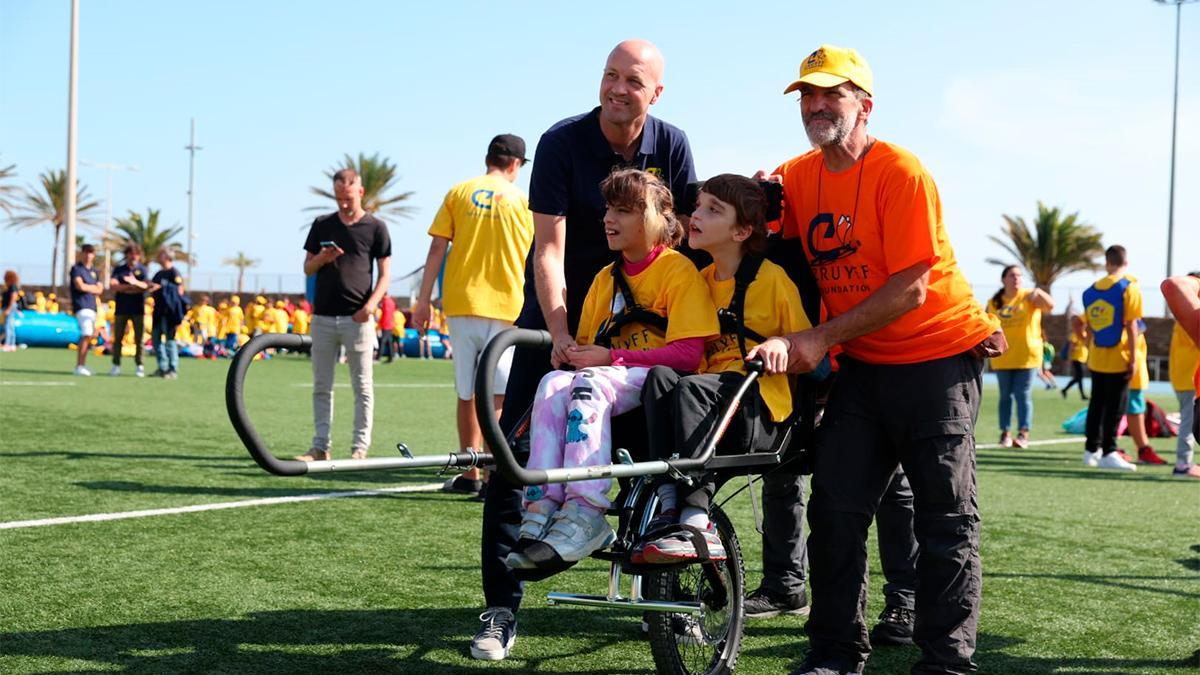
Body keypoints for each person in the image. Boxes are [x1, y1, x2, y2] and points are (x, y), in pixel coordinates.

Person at [753, 44, 1003, 674]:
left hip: (937, 359)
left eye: (830, 94)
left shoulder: (901, 171)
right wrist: (746, 199)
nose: (815, 106)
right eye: (806, 95)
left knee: (945, 519)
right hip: (863, 367)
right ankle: (835, 654)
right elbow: (749, 216)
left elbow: (911, 287)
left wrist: (817, 339)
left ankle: (945, 662)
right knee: (835, 512)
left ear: (864, 104)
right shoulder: (799, 174)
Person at [472, 39, 696, 662]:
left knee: (662, 456)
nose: (617, 88)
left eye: (632, 79)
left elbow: (687, 240)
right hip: (561, 316)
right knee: (514, 458)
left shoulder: (672, 146)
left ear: (655, 92)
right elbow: (548, 248)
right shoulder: (563, 142)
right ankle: (501, 608)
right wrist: (563, 335)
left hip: (641, 332)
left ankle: (667, 590)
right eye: (609, 76)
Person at [505, 168, 716, 568]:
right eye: (608, 209)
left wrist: (610, 358)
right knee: (552, 383)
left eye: (623, 211)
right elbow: (590, 348)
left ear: (654, 218)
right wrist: (569, 353)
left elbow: (688, 355)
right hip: (609, 379)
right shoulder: (606, 278)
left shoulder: (678, 270)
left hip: (662, 384)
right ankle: (540, 507)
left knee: (587, 384)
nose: (608, 219)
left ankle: (587, 511)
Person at [633, 174, 810, 563]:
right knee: (661, 377)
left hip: (760, 413)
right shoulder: (696, 280)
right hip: (706, 407)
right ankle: (666, 500)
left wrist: (783, 346)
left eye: (713, 210)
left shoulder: (774, 281)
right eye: (698, 206)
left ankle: (696, 517)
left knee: (691, 387)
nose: (696, 215)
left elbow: (809, 351)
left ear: (743, 230)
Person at [411, 133, 536, 496]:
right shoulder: (523, 201)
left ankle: (470, 474)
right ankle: (496, 473)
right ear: (515, 164)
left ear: (489, 159)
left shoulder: (459, 191)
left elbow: (437, 246)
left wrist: (423, 300)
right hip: (508, 306)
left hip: (463, 301)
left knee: (467, 392)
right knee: (498, 397)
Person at [296, 168, 391, 462]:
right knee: (321, 386)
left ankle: (359, 448)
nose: (344, 204)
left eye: (348, 198)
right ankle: (320, 446)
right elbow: (307, 268)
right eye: (339, 198)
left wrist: (372, 305)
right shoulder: (322, 224)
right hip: (323, 317)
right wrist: (323, 258)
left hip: (358, 318)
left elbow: (385, 274)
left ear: (360, 192)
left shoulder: (375, 227)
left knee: (362, 386)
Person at [1082, 245, 1142, 472]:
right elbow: (1132, 324)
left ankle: (1091, 450)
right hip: (1120, 355)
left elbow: (1086, 326)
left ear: (1107, 263)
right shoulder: (1129, 288)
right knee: (1116, 406)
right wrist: (1134, 358)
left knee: (1096, 404)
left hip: (1097, 356)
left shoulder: (1090, 291)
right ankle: (1109, 450)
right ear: (1126, 263)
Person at [987, 265, 1054, 448]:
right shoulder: (994, 301)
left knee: (1023, 395)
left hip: (1028, 357)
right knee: (1005, 397)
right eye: (1011, 275)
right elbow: (989, 325)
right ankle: (1005, 433)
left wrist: (1039, 291)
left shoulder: (1030, 297)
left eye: (1019, 275)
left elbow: (1051, 306)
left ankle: (1023, 433)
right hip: (1004, 357)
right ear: (1003, 279)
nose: (1016, 278)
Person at [1163, 273, 1200, 478]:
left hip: (1182, 375)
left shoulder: (1182, 316)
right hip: (1188, 376)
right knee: (1186, 421)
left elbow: (1174, 285)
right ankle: (1183, 463)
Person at [1124, 328, 1168, 465]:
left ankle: (1106, 447)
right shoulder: (1126, 307)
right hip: (1126, 363)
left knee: (1132, 406)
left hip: (1130, 363)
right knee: (1131, 406)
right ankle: (1142, 449)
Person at [108, 244, 151, 377]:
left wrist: (134, 283)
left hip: (138, 309)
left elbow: (145, 286)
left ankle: (139, 365)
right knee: (118, 338)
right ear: (127, 254)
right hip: (121, 309)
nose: (133, 256)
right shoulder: (119, 269)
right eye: (131, 253)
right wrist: (130, 287)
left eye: (136, 254)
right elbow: (113, 285)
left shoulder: (142, 270)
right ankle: (116, 365)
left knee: (139, 338)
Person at [150, 249, 188, 379]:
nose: (158, 257)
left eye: (160, 255)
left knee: (170, 340)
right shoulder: (159, 273)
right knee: (156, 340)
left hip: (169, 312)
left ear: (166, 257)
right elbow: (152, 286)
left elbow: (179, 291)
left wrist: (162, 288)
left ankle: (172, 369)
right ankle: (162, 367)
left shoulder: (174, 272)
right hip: (158, 311)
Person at [69, 244, 104, 375]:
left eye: (91, 252)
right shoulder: (77, 269)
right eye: (86, 252)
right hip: (81, 305)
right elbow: (80, 286)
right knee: (87, 334)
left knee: (90, 335)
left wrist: (88, 287)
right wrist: (92, 288)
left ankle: (82, 365)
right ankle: (79, 366)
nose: (89, 255)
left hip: (92, 307)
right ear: (82, 253)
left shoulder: (95, 271)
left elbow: (100, 289)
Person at [1061, 314, 1089, 400]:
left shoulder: (1084, 334)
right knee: (1079, 377)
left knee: (1078, 377)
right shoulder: (1074, 335)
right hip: (1076, 359)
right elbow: (1071, 347)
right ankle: (1082, 395)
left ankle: (1065, 390)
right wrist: (1069, 359)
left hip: (1082, 358)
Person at [1, 270, 25, 351]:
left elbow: (13, 298)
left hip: (10, 307)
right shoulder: (10, 286)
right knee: (10, 326)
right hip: (10, 307)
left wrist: (8, 309)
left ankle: (8, 344)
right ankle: (12, 344)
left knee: (8, 326)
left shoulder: (13, 287)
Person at [376, 294, 397, 362]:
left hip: (386, 324)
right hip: (390, 324)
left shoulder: (385, 302)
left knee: (383, 341)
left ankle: (378, 357)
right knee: (389, 341)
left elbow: (385, 315)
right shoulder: (391, 302)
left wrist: (381, 324)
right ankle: (391, 357)